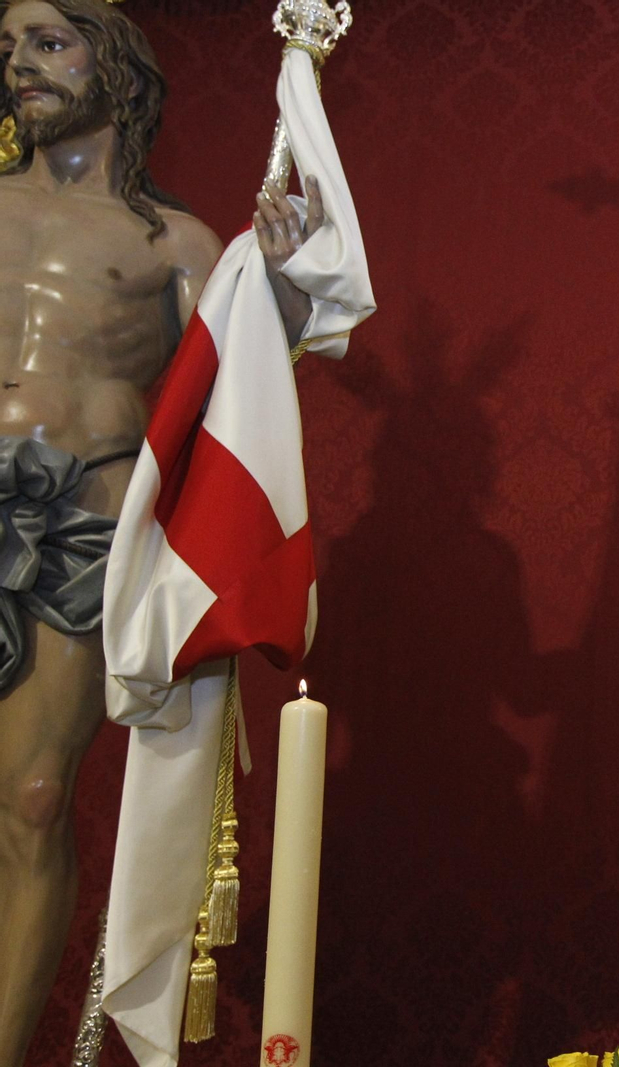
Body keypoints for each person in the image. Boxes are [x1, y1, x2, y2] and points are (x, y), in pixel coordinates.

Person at [0, 3, 322, 1060]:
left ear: (117, 68)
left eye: (48, 41)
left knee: (37, 799)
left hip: (73, 533)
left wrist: (274, 281)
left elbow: (241, 385)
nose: (21, 66)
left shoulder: (173, 241)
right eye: (8, 49)